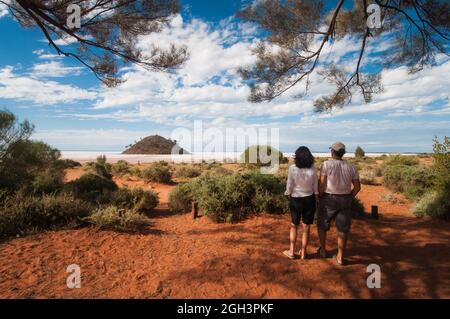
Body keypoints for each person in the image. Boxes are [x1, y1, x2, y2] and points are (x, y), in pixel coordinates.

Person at [317, 142, 361, 266]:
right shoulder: (352, 167)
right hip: (345, 199)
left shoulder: (326, 164)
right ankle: (340, 257)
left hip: (328, 199)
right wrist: (349, 197)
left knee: (322, 224)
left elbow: (321, 184)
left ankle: (323, 250)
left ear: (332, 152)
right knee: (343, 229)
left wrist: (320, 195)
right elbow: (357, 187)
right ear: (343, 153)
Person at [283, 146, 318, 260]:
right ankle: (303, 253)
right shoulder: (313, 169)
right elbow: (315, 187)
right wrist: (316, 196)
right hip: (309, 199)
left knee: (294, 225)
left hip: (296, 199)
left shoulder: (292, 168)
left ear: (297, 157)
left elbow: (289, 184)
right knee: (306, 227)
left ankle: (292, 251)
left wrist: (288, 193)